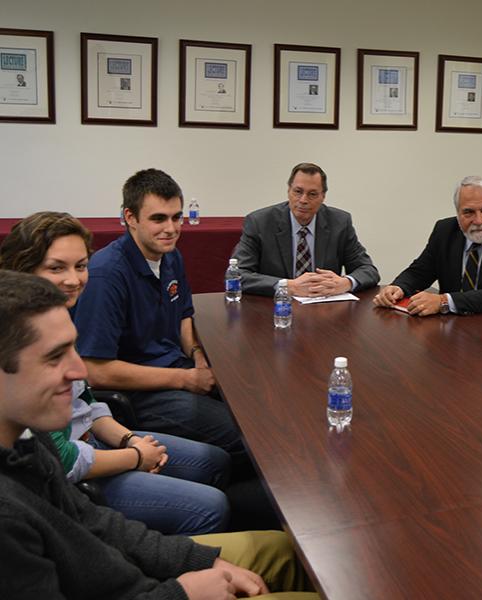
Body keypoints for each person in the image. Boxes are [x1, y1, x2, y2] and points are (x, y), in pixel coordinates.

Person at [0, 270, 318, 599]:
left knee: (288, 552)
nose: (80, 371)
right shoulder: (7, 516)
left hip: (129, 573)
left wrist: (195, 562)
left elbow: (91, 520)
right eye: (54, 357)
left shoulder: (27, 434)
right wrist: (182, 593)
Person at [0, 211, 231, 535]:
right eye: (56, 268)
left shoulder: (61, 316)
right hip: (73, 473)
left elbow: (88, 403)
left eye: (81, 266)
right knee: (211, 506)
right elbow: (60, 458)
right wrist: (135, 456)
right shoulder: (18, 340)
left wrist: (127, 438)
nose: (73, 279)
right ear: (24, 270)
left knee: (216, 462)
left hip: (95, 439)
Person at [70, 169, 249, 471]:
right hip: (140, 394)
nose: (171, 228)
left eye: (176, 217)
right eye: (158, 219)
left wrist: (196, 355)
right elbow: (94, 370)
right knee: (243, 434)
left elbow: (183, 316)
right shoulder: (106, 275)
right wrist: (185, 379)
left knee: (253, 406)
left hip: (177, 369)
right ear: (130, 217)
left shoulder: (170, 256)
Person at [373, 175, 482, 326]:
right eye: (469, 212)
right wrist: (398, 287)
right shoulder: (445, 230)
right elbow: (420, 271)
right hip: (453, 325)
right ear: (458, 213)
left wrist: (443, 301)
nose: (479, 220)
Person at [232, 162, 379, 297]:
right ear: (288, 191)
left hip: (324, 310)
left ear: (323, 197)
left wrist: (345, 283)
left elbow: (368, 270)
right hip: (274, 308)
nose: (303, 200)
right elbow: (237, 274)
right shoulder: (260, 222)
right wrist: (288, 286)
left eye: (312, 194)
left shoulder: (339, 223)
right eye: (298, 191)